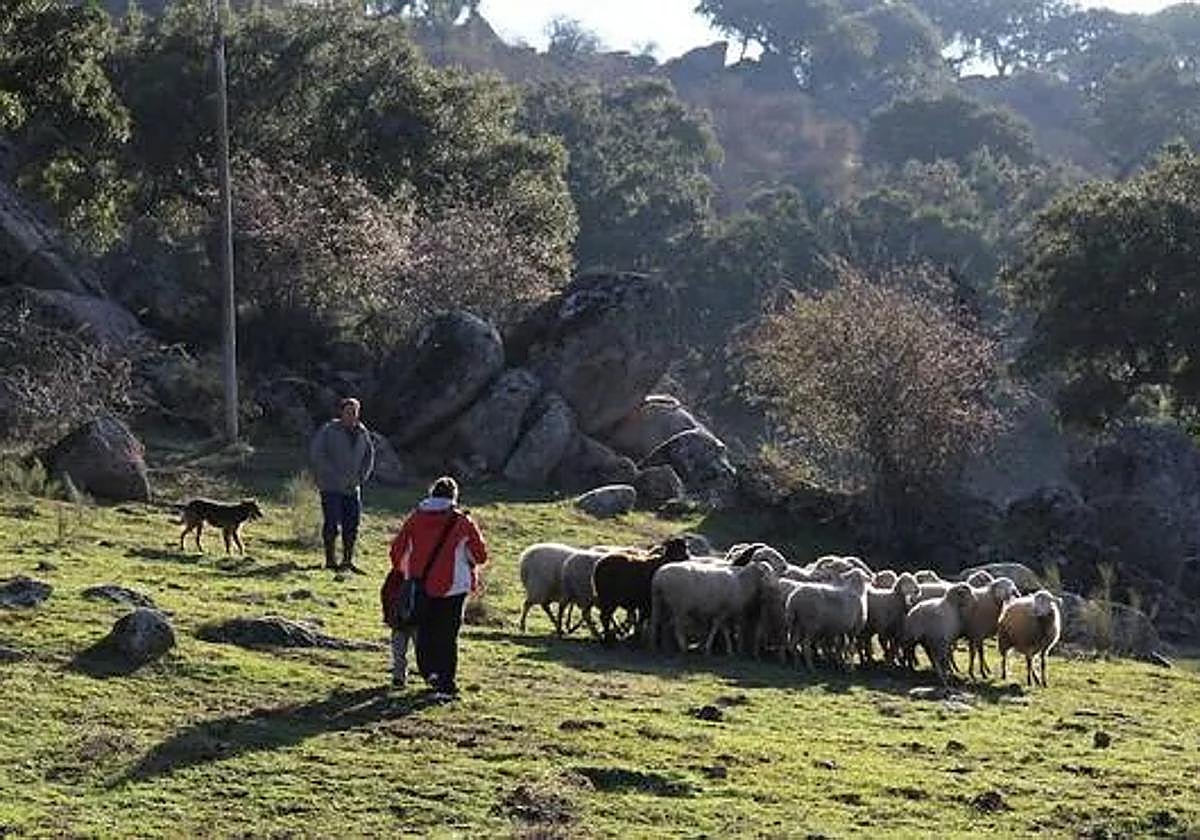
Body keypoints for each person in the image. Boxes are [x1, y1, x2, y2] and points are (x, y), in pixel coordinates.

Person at [387, 476, 487, 699]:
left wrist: (408, 573)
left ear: (431, 493)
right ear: (454, 496)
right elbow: (480, 555)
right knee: (447, 635)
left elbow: (396, 552)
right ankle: (446, 682)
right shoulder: (462, 522)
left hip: (421, 584)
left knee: (424, 631)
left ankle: (429, 673)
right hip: (454, 587)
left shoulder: (415, 518)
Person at [309, 397, 375, 574]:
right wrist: (333, 475)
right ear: (341, 413)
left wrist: (361, 477)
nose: (352, 415)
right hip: (331, 487)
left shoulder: (363, 433)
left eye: (355, 412)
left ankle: (347, 561)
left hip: (353, 488)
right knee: (331, 524)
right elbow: (317, 454)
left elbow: (369, 456)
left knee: (352, 526)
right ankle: (330, 561)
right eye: (348, 411)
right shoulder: (328, 430)